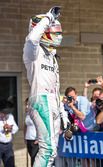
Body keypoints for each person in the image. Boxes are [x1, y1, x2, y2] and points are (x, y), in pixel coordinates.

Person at [23, 6, 69, 167]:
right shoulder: (33, 52)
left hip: (53, 101)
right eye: (56, 32)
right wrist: (49, 17)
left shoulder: (52, 57)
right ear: (44, 31)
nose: (59, 36)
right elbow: (32, 39)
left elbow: (56, 88)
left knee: (52, 151)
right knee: (47, 149)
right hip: (41, 99)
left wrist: (63, 114)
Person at [0, 98, 19, 167]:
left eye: (6, 114)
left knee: (10, 164)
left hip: (8, 145)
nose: (5, 115)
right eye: (3, 113)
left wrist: (11, 128)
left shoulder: (10, 116)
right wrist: (3, 128)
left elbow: (16, 129)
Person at [24, 98, 39, 167]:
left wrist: (38, 138)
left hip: (35, 139)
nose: (27, 106)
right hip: (28, 139)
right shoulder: (27, 114)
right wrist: (25, 137)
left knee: (34, 159)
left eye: (28, 104)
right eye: (26, 105)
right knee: (32, 157)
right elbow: (25, 126)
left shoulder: (36, 114)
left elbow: (39, 126)